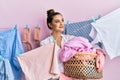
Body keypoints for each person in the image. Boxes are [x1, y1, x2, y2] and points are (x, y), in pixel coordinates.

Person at [40, 9, 103, 80]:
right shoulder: (45, 43)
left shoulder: (70, 39)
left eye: (62, 20)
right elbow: (45, 65)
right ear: (50, 24)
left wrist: (98, 51)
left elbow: (87, 45)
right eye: (57, 21)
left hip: (72, 73)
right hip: (56, 76)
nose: (61, 24)